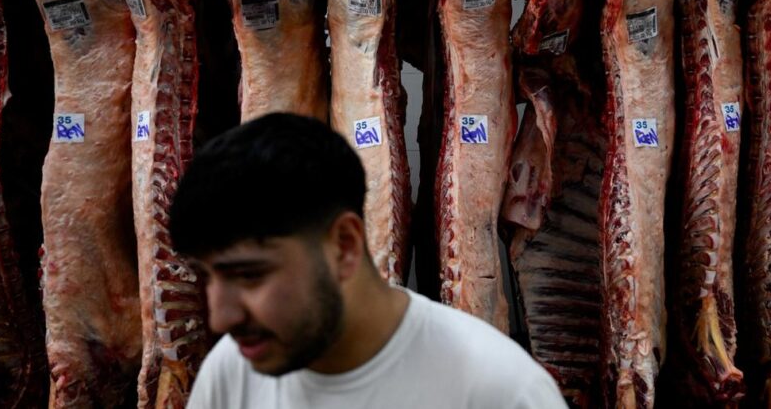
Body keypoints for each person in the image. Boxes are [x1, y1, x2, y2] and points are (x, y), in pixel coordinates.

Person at [169, 112, 567, 409]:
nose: (220, 319)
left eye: (249, 275)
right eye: (206, 277)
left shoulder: (501, 389)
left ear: (343, 244)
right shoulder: (231, 372)